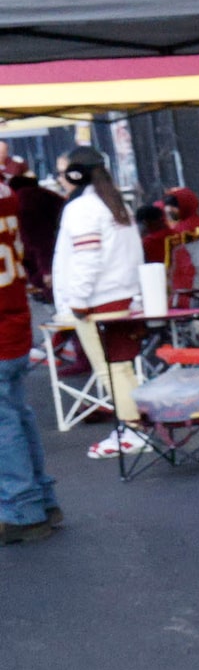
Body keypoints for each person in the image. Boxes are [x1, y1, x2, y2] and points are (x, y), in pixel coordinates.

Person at [52, 145, 149, 460]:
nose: (60, 178)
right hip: (123, 298)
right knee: (123, 367)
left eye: (63, 171)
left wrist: (77, 300)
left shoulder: (81, 209)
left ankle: (132, 429)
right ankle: (136, 426)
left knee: (111, 370)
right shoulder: (114, 204)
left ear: (76, 173)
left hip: (95, 303)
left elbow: (86, 260)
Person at [0, 169, 62, 541]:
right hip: (15, 320)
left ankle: (23, 510)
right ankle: (42, 499)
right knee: (18, 416)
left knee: (6, 424)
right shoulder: (6, 191)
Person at [10, 158, 64, 307]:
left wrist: (46, 271)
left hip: (55, 268)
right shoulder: (41, 195)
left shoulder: (25, 201)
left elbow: (39, 240)